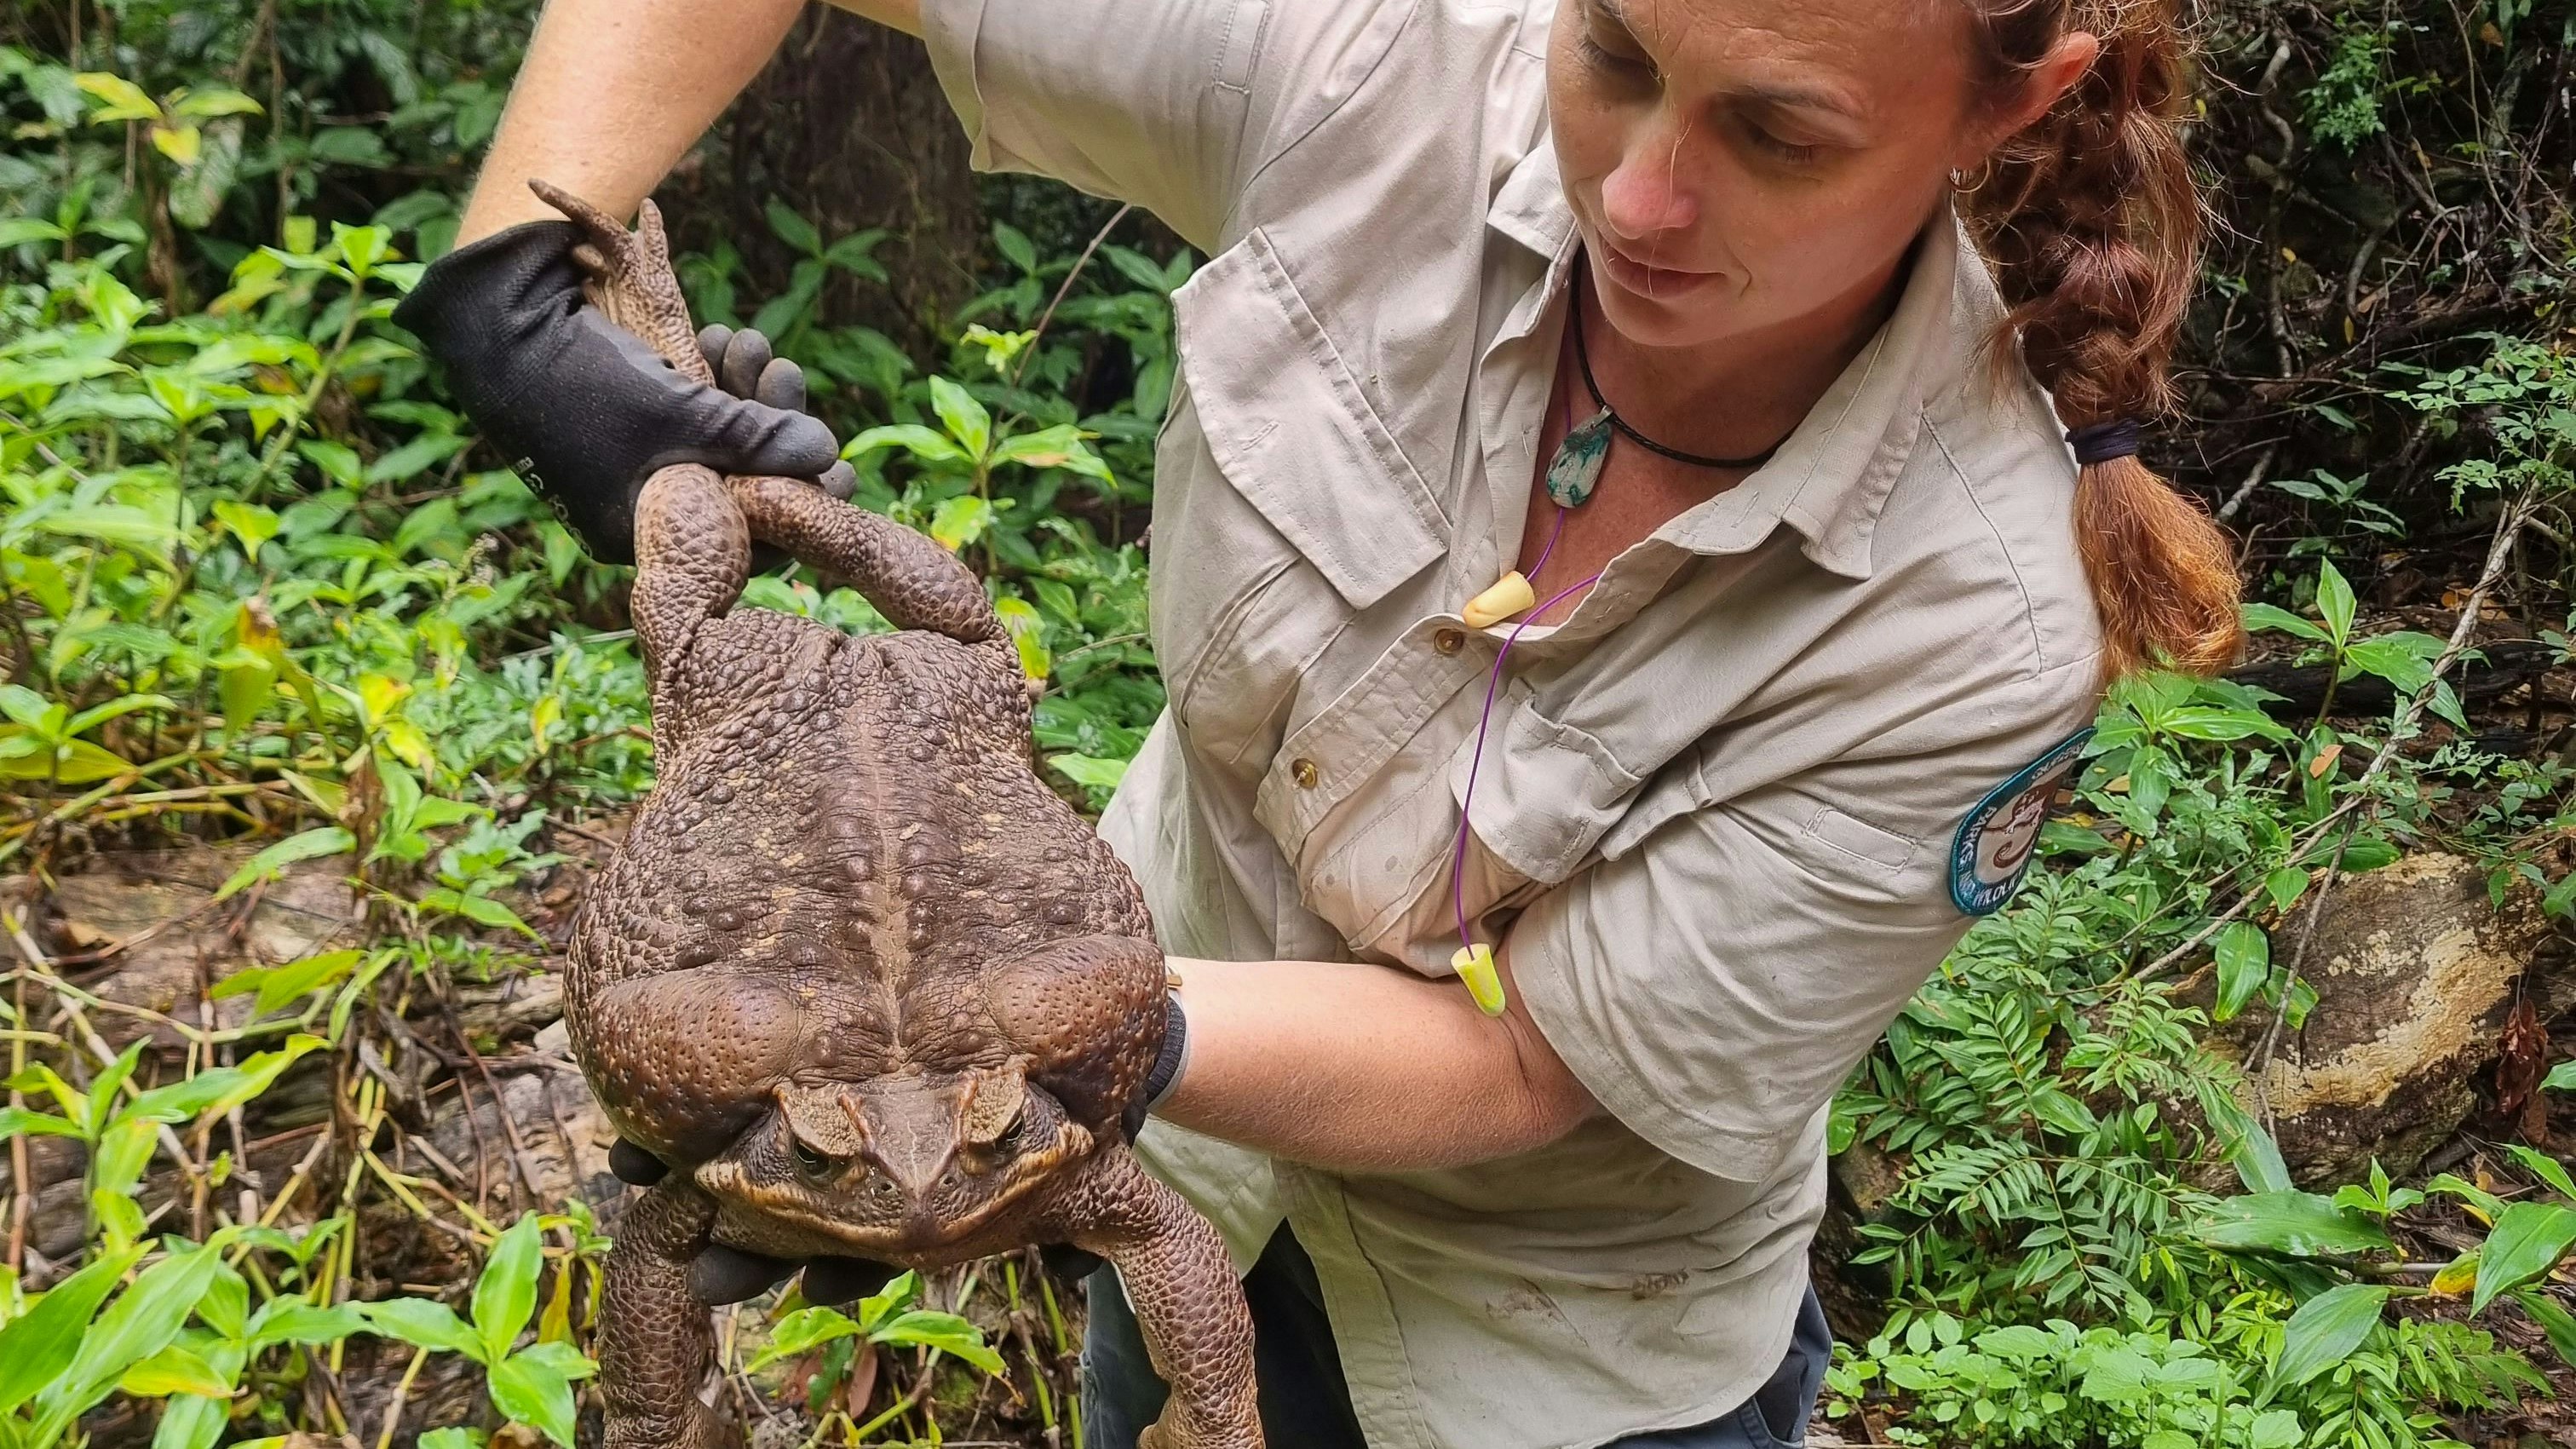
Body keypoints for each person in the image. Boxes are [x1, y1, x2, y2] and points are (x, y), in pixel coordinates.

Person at [396, 0, 2243, 1444]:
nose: (1638, 194)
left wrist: (1035, 1037)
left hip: (1546, 1353)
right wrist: (515, 303)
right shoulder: (1391, 69)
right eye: (1613, 51)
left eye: (1778, 133)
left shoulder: (1980, 618)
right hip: (1175, 1190)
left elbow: (1532, 1065)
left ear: (2011, 104)